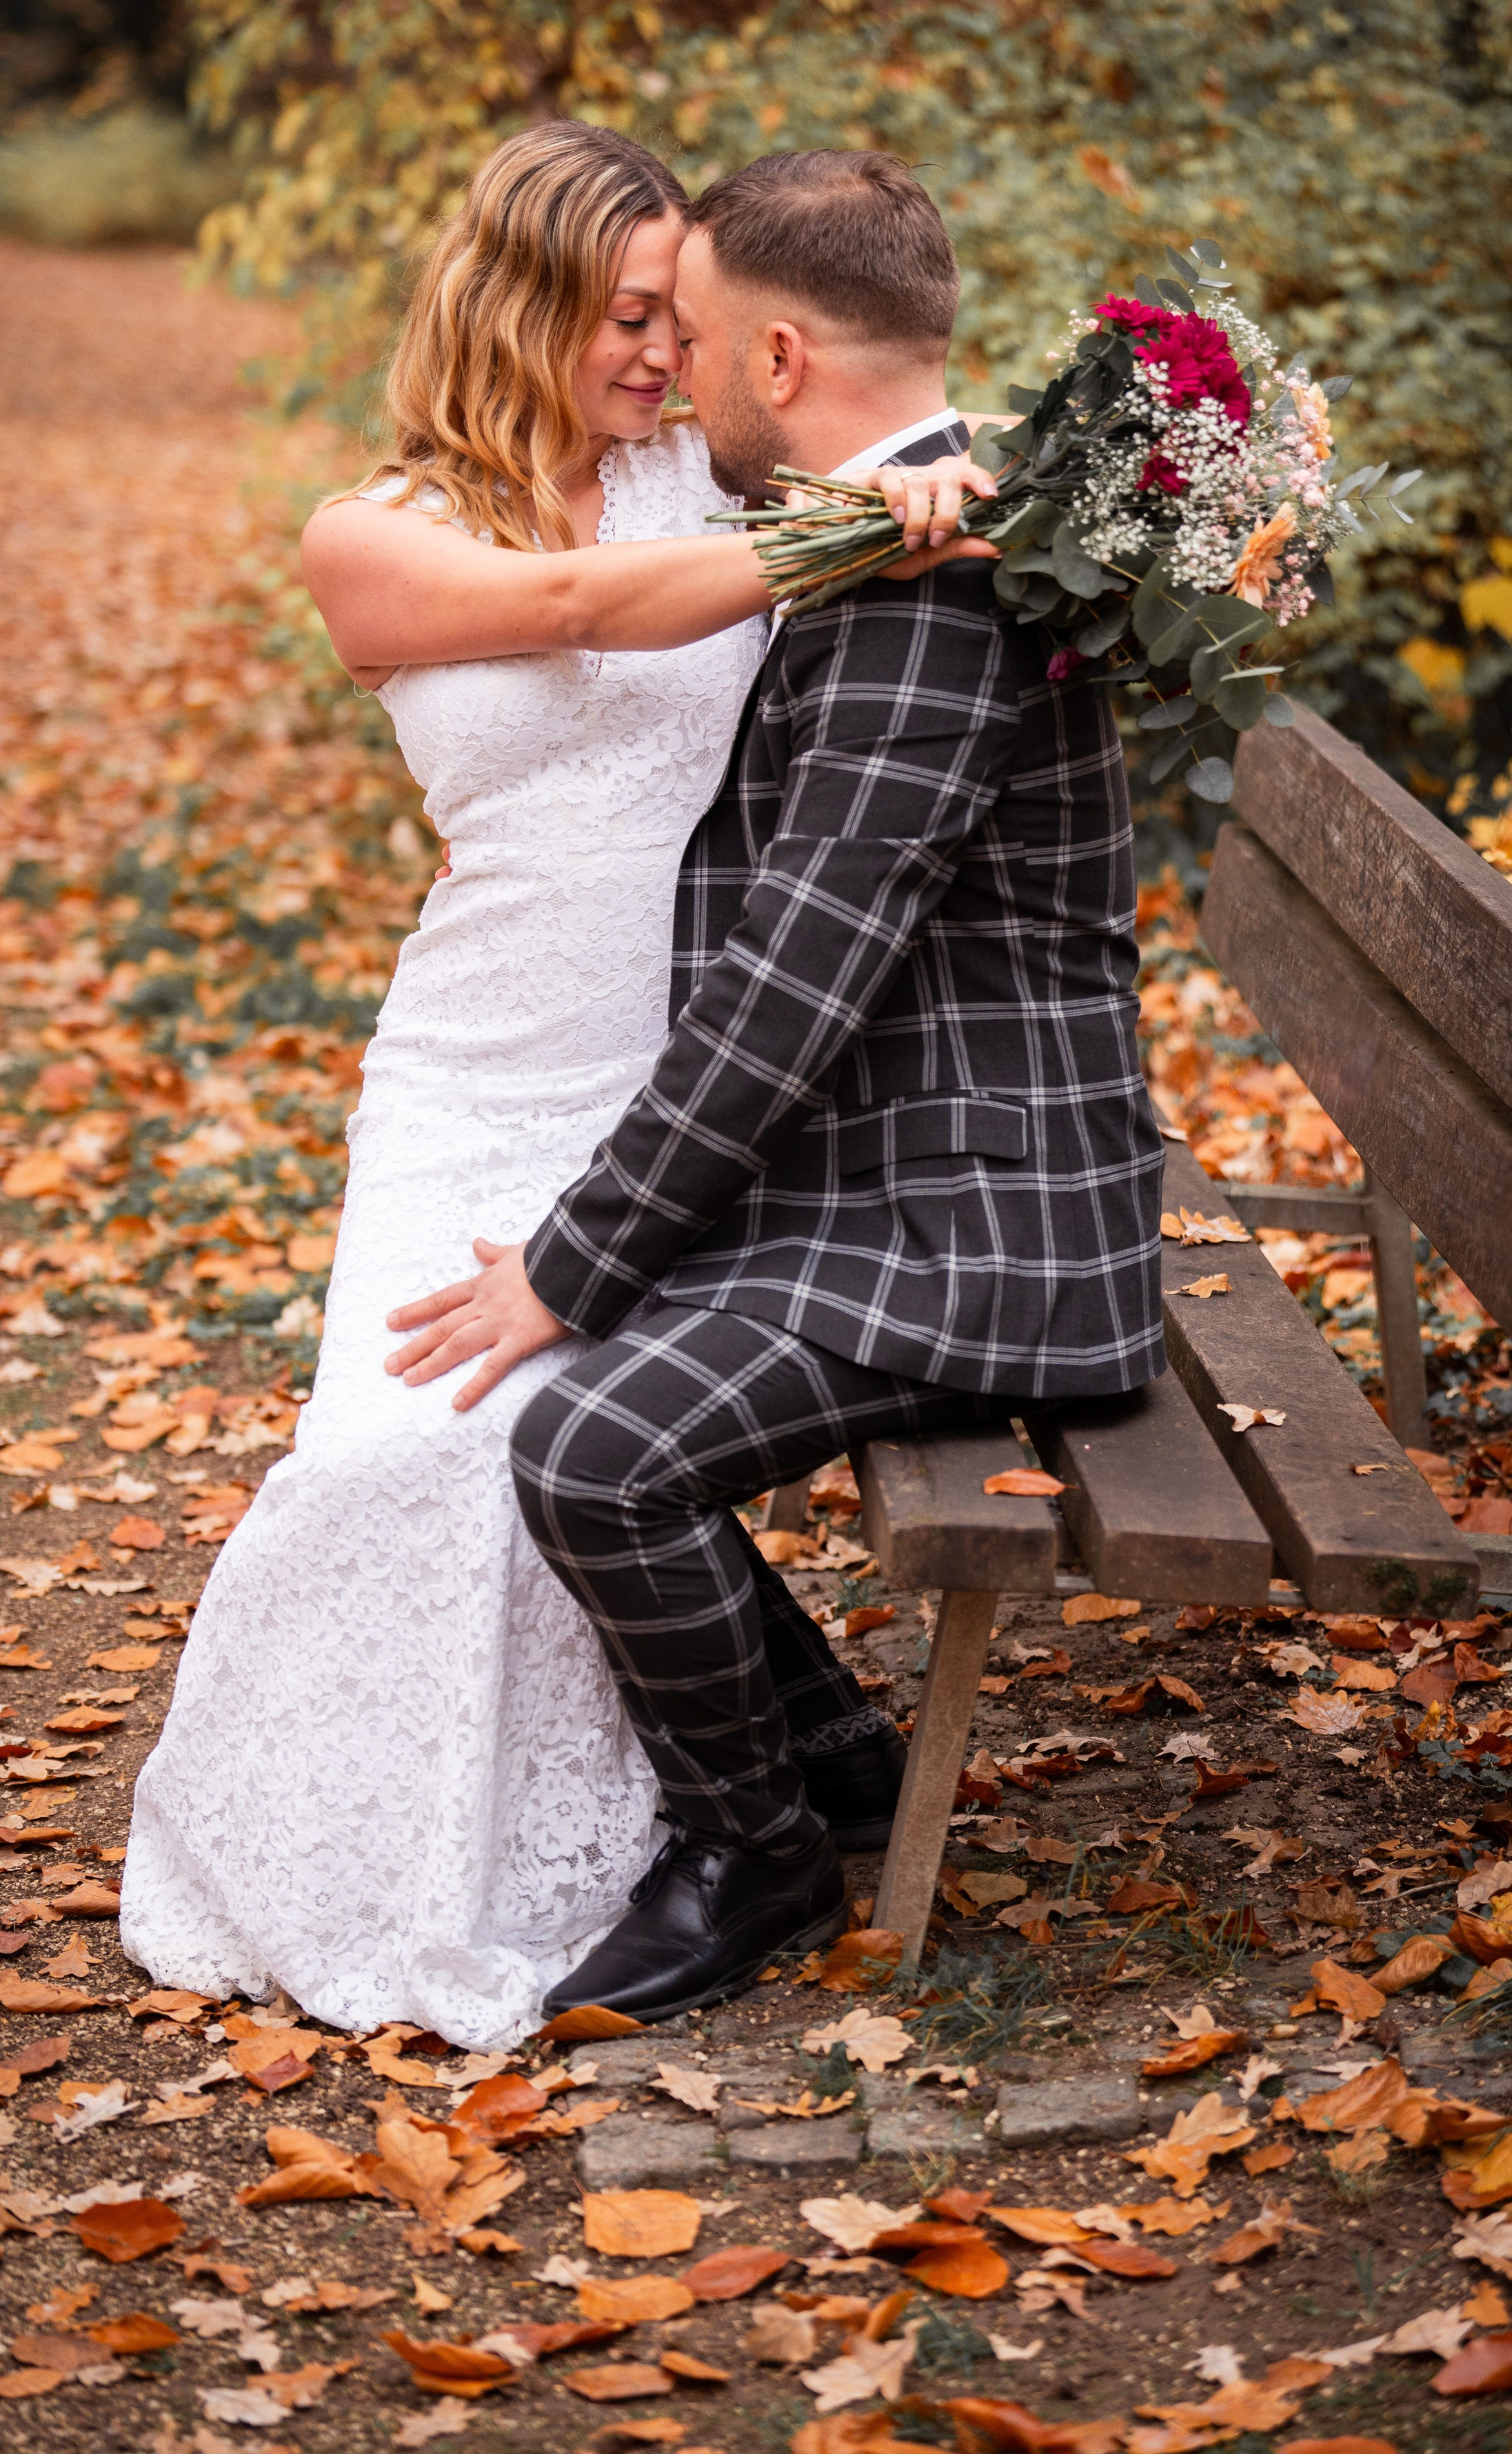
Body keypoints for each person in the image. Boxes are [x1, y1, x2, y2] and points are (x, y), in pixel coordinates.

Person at [117, 121, 989, 2050]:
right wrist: (847, 532)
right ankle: (562, 1813)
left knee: (520, 1456)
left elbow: (877, 412)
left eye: (675, 320)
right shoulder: (381, 534)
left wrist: (950, 485)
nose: (660, 359)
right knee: (385, 1454)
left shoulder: (714, 468)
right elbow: (584, 614)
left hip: (679, 1084)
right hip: (470, 1067)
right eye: (619, 320)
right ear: (510, 304)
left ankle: (744, 1799)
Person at [382, 148, 1167, 2025]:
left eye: (708, 338)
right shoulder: (913, 531)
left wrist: (578, 1258)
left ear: (791, 354)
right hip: (912, 1178)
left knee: (585, 1442)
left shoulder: (934, 588)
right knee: (593, 1401)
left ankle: (757, 1851)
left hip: (976, 1223)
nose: (683, 376)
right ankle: (839, 1769)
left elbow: (795, 978)